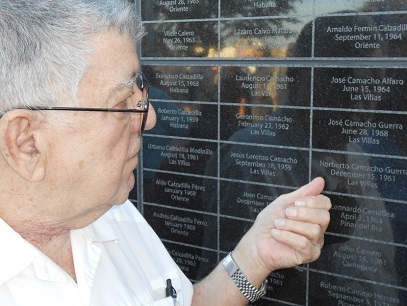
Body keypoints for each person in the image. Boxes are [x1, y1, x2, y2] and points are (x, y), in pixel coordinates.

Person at [0, 1, 331, 305]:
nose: (151, 118)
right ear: (27, 143)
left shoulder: (112, 215)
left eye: (139, 91)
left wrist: (254, 257)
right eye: (121, 103)